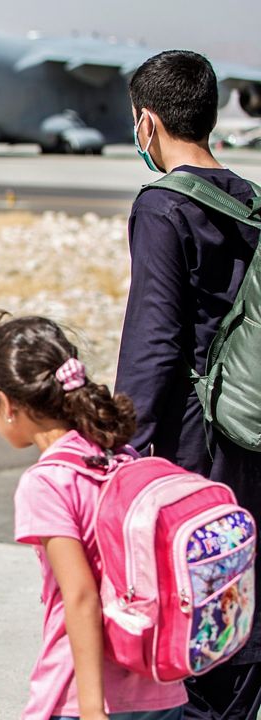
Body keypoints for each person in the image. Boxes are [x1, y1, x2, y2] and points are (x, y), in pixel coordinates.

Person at [114, 50, 261, 720]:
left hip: (196, 438)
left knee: (201, 597)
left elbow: (154, 341)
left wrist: (127, 453)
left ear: (148, 124)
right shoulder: (251, 201)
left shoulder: (163, 207)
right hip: (252, 422)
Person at [0, 311, 187, 720]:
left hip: (83, 694)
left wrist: (92, 709)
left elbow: (80, 597)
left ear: (6, 404)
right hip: (160, 688)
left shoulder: (48, 482)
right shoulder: (120, 456)